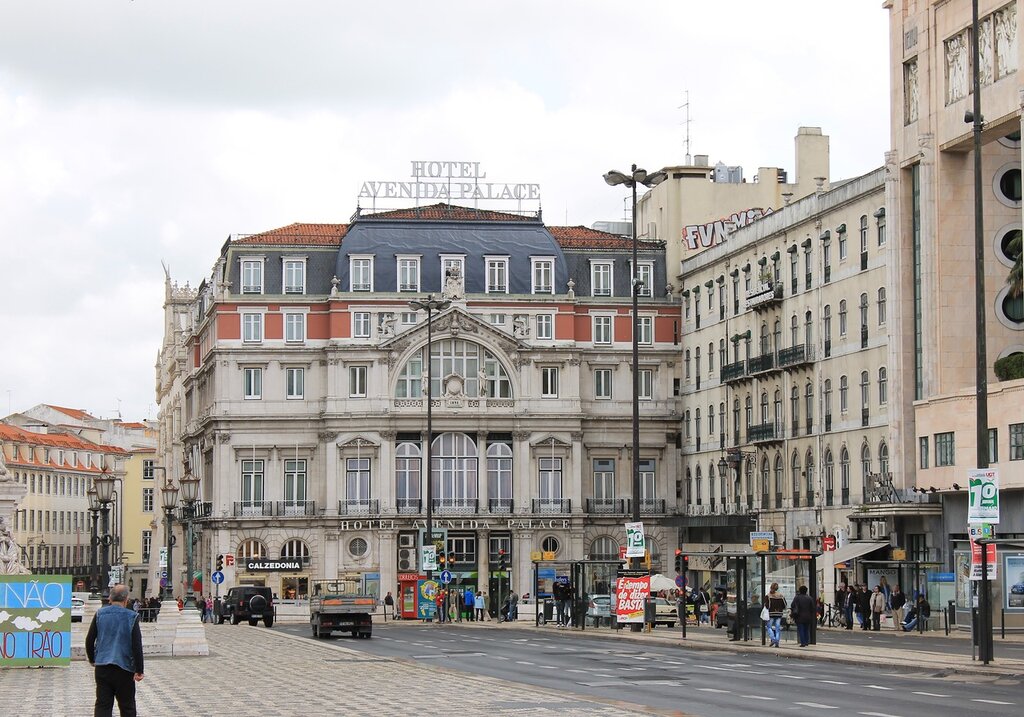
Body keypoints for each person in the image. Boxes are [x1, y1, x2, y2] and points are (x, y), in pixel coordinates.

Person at [86, 583, 144, 717]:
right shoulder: (132, 616)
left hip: (102, 666)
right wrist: (139, 670)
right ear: (126, 600)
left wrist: (92, 659)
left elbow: (90, 639)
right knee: (127, 706)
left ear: (110, 599)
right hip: (124, 668)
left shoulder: (100, 614)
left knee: (103, 705)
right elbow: (136, 645)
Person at [765, 582, 787, 647]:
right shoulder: (781, 596)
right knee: (777, 628)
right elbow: (785, 605)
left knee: (769, 627)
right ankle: (777, 641)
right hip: (779, 614)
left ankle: (773, 639)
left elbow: (767, 606)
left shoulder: (768, 596)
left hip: (771, 613)